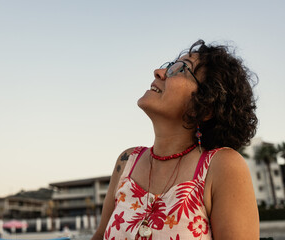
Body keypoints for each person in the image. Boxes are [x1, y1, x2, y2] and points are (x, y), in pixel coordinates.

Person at [92, 40, 259, 240]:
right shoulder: (127, 160)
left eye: (181, 70)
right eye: (169, 66)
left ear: (205, 107)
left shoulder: (221, 165)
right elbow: (100, 236)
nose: (159, 72)